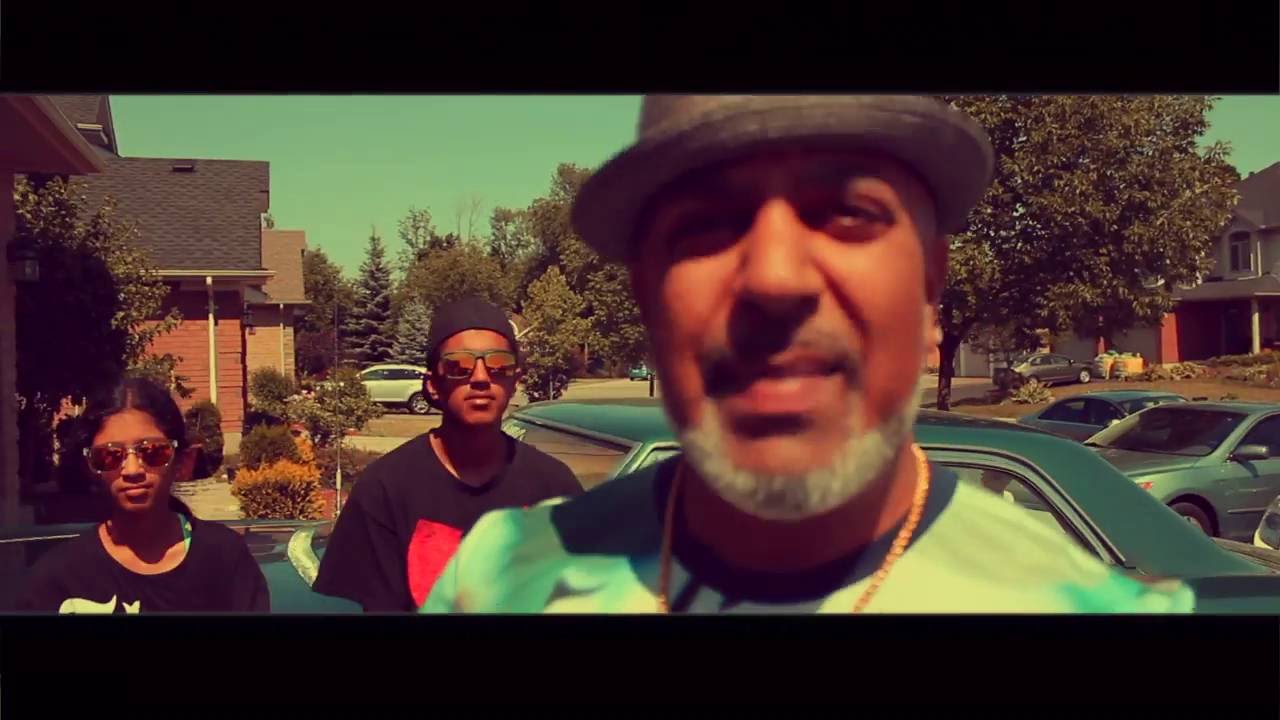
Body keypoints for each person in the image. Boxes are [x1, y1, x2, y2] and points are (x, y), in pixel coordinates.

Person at [422, 95, 1197, 614]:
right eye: (707, 224)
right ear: (647, 296)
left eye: (846, 212)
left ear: (931, 285)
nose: (774, 278)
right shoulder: (498, 584)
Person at [313, 296, 583, 612]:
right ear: (433, 385)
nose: (481, 378)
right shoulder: (384, 489)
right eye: (459, 366)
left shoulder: (554, 487)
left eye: (498, 365)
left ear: (514, 380)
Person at [18, 377, 269, 613]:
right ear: (91, 466)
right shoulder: (59, 579)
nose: (132, 469)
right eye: (110, 455)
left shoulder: (225, 559)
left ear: (183, 461)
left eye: (152, 452)